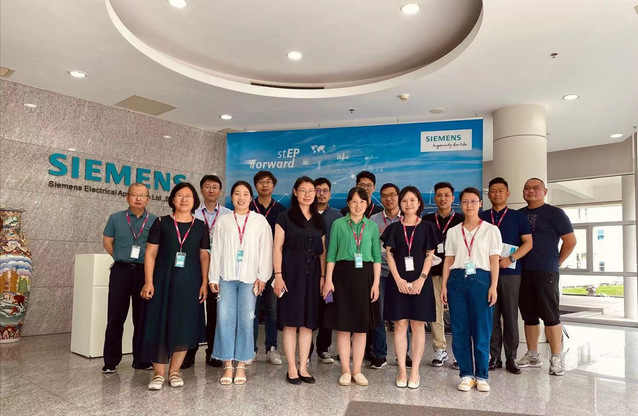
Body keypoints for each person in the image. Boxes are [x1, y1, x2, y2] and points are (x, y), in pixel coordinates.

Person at [141, 182, 210, 390]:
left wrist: (204, 282)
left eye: (188, 196)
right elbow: (150, 253)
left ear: (194, 201)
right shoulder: (161, 222)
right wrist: (148, 281)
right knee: (159, 324)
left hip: (190, 283)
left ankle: (174, 371)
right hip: (162, 281)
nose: (184, 199)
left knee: (183, 326)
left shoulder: (201, 226)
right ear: (172, 199)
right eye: (180, 195)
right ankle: (158, 374)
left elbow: (204, 256)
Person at [209, 181, 273, 385]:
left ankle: (241, 365)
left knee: (246, 320)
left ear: (251, 198)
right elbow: (216, 250)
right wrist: (213, 277)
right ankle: (227, 364)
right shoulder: (224, 221)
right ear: (232, 197)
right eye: (237, 193)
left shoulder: (259, 221)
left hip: (249, 278)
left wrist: (263, 277)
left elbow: (266, 250)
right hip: (226, 277)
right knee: (224, 319)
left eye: (245, 194)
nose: (241, 197)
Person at [441, 187, 502, 392]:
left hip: (482, 279)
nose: (469, 205)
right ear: (460, 204)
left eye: (473, 201)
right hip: (456, 280)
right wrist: (444, 286)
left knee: (482, 329)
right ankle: (466, 374)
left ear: (480, 203)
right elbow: (448, 259)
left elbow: (494, 260)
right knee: (460, 330)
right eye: (465, 202)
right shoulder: (453, 231)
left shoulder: (491, 230)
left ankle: (482, 375)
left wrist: (494, 286)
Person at [381, 186, 440, 389]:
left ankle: (414, 371)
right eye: (404, 200)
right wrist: (398, 279)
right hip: (398, 282)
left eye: (412, 200)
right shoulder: (394, 228)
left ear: (419, 203)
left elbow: (429, 255)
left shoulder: (428, 227)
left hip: (420, 282)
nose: (408, 204)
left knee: (418, 325)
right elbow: (389, 255)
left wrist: (421, 279)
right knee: (400, 325)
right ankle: (402, 370)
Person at [323, 187, 381, 386]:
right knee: (343, 326)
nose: (358, 206)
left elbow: (376, 258)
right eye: (354, 201)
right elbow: (331, 254)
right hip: (342, 275)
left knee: (361, 328)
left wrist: (376, 283)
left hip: (365, 276)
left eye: (362, 202)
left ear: (367, 204)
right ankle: (346, 371)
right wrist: (328, 280)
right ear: (348, 203)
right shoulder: (338, 224)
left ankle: (357, 370)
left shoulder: (371, 226)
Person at [517, 178, 576, 376]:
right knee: (529, 316)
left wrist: (557, 262)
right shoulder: (518, 215)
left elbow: (570, 241)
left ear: (545, 191)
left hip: (546, 272)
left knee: (551, 317)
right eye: (527, 188)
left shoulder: (555, 213)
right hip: (522, 271)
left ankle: (556, 358)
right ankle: (533, 355)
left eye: (536, 188)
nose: (531, 191)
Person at [273, 176, 327, 384]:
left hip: (313, 273)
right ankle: (292, 368)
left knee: (307, 324)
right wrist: (278, 275)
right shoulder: (284, 217)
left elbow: (322, 252)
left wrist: (323, 277)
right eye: (303, 190)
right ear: (295, 192)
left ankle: (304, 367)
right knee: (291, 323)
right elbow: (277, 248)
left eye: (311, 191)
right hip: (290, 272)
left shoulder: (319, 220)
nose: (307, 194)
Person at [479, 177, 533, 375]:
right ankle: (494, 357)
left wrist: (510, 259)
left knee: (510, 316)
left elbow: (528, 243)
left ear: (508, 193)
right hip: (485, 273)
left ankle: (511, 357)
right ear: (488, 195)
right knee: (491, 317)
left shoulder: (518, 217)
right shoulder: (482, 217)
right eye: (493, 191)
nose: (497, 194)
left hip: (511, 272)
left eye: (501, 190)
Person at [101, 183, 157, 373]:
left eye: (143, 195)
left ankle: (142, 360)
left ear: (148, 199)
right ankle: (110, 361)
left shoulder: (154, 221)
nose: (138, 199)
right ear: (127, 197)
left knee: (142, 318)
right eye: (134, 195)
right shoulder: (116, 218)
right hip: (121, 271)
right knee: (115, 317)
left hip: (144, 273)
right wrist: (119, 257)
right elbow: (107, 241)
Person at [182, 175, 232, 369]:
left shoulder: (228, 215)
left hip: (219, 269)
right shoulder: (191, 212)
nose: (211, 190)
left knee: (215, 313)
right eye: (207, 187)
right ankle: (188, 353)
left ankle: (213, 352)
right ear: (201, 190)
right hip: (194, 267)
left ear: (220, 191)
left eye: (215, 187)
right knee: (191, 311)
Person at [369, 183, 410, 369]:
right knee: (378, 313)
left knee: (403, 314)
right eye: (384, 195)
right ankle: (380, 354)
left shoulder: (407, 218)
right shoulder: (374, 219)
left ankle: (404, 354)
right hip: (381, 272)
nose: (389, 199)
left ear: (399, 197)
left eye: (392, 195)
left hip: (402, 274)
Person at [423, 182, 464, 367]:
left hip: (456, 272)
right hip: (434, 272)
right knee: (436, 312)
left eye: (446, 195)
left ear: (453, 198)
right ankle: (440, 349)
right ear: (435, 198)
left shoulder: (461, 220)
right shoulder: (427, 220)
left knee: (458, 312)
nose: (443, 198)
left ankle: (460, 352)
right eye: (439, 195)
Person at [250, 170, 286, 365]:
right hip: (251, 266)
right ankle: (251, 349)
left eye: (268, 182)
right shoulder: (248, 207)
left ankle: (272, 348)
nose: (265, 185)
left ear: (274, 185)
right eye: (261, 182)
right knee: (253, 309)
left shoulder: (281, 210)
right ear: (255, 185)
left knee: (272, 309)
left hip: (272, 266)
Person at [311, 177, 342, 363]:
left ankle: (323, 348)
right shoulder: (305, 213)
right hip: (309, 269)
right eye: (317, 190)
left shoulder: (338, 217)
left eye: (325, 190)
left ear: (330, 193)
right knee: (308, 308)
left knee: (327, 309)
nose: (321, 194)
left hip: (331, 271)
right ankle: (306, 350)